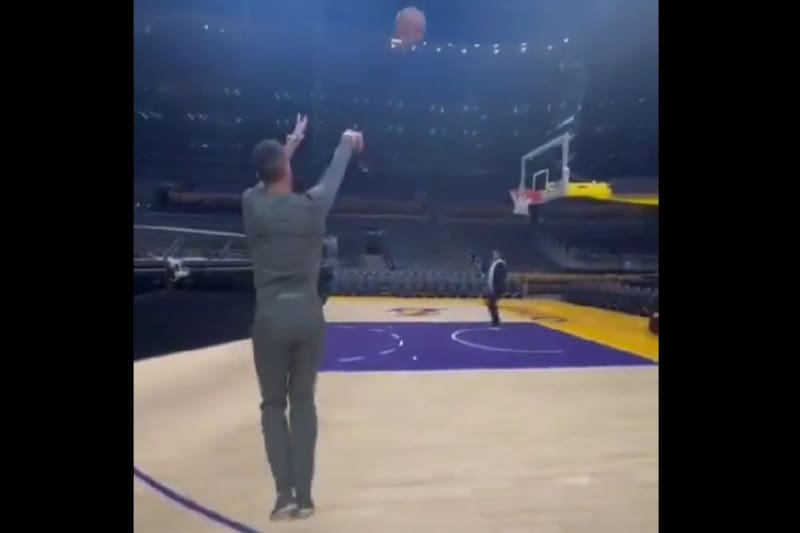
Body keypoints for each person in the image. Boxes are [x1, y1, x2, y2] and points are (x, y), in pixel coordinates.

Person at [242, 114, 364, 521]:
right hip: (309, 315)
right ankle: (306, 497)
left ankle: (284, 495)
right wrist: (347, 141)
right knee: (304, 405)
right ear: (288, 169)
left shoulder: (252, 205)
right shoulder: (313, 207)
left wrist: (286, 148)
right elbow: (333, 175)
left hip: (270, 317)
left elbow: (265, 182)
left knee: (273, 406)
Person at [485, 250, 507, 328]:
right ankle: (495, 320)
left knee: (491, 303)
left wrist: (496, 287)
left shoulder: (500, 264)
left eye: (495, 254)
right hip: (493, 287)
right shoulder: (494, 264)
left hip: (497, 288)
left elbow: (500, 277)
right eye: (493, 254)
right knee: (491, 303)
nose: (494, 255)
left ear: (499, 255)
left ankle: (496, 321)